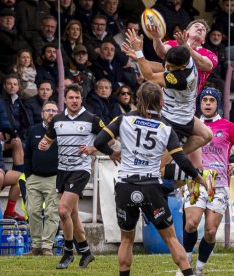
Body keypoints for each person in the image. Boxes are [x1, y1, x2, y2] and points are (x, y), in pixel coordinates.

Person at [93, 81, 208, 276]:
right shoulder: (166, 127)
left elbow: (99, 141)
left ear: (138, 100)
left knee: (126, 239)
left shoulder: (123, 120)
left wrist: (112, 153)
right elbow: (180, 158)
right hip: (150, 186)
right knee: (171, 238)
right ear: (161, 103)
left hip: (126, 185)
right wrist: (197, 176)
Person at [179, 87, 234, 275]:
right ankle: (185, 265)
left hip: (219, 184)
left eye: (212, 100)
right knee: (191, 223)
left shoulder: (229, 126)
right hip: (196, 181)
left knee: (211, 232)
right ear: (200, 103)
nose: (208, 103)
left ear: (217, 104)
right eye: (205, 100)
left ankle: (199, 269)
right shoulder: (191, 125)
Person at [123, 29, 212, 169]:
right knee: (206, 135)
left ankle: (174, 156)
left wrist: (140, 53)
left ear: (181, 68)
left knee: (157, 167)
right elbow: (162, 67)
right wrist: (141, 59)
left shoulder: (181, 79)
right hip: (184, 114)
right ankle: (175, 155)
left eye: (171, 67)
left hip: (174, 121)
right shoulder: (185, 59)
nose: (167, 67)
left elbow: (150, 76)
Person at [38, 84, 102, 269]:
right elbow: (48, 140)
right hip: (62, 170)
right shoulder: (57, 120)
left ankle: (67, 253)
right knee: (72, 214)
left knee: (63, 211)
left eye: (77, 98)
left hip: (81, 170)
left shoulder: (92, 119)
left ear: (81, 99)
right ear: (65, 100)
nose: (74, 101)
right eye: (71, 98)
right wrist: (44, 145)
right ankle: (86, 252)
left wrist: (92, 148)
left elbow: (109, 139)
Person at [24, 101, 59, 256]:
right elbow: (27, 154)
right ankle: (36, 246)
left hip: (54, 178)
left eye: (54, 110)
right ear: (42, 114)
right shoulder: (34, 130)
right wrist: (29, 174)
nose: (51, 113)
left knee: (52, 213)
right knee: (32, 211)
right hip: (34, 178)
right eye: (47, 110)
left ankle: (47, 246)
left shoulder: (61, 130)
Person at [150, 19, 218, 93]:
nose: (200, 28)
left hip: (189, 100)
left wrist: (185, 46)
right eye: (196, 26)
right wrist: (156, 38)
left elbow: (203, 64)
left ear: (204, 40)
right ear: (186, 32)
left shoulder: (210, 54)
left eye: (203, 29)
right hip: (167, 96)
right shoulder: (173, 43)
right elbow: (161, 52)